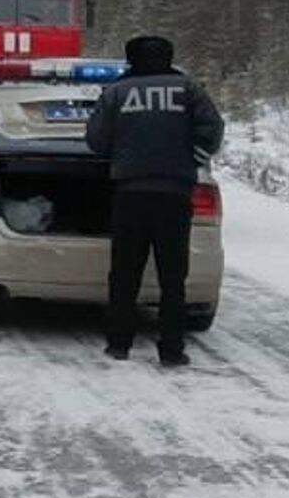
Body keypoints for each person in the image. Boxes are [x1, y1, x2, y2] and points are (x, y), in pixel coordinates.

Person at [85, 34, 224, 367]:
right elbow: (213, 129)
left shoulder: (117, 92)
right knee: (173, 276)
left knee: (124, 273)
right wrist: (193, 158)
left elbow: (95, 140)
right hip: (175, 193)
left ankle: (119, 343)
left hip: (131, 193)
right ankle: (172, 349)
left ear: (131, 59)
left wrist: (120, 154)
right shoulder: (188, 89)